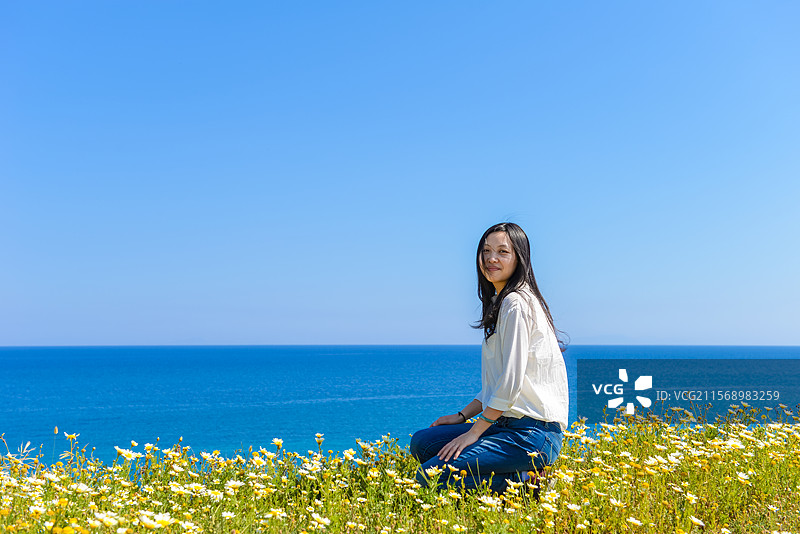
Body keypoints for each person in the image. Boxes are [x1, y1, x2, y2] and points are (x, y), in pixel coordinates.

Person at [409, 222, 569, 493]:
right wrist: (462, 416)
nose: (491, 259)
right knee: (423, 443)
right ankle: (519, 473)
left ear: (519, 259)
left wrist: (474, 432)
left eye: (503, 252)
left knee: (429, 476)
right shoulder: (501, 301)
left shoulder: (516, 303)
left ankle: (528, 483)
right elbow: (495, 385)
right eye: (486, 251)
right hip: (505, 425)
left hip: (532, 436)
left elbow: (510, 383)